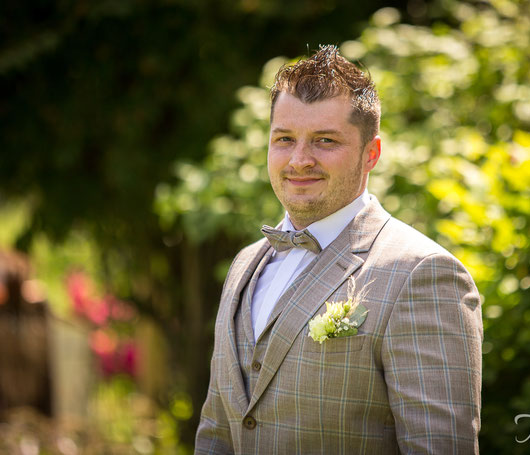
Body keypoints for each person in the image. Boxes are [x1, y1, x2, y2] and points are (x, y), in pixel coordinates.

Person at [195, 45, 482, 454]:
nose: (299, 160)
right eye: (284, 139)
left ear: (372, 154)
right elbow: (216, 431)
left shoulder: (423, 274)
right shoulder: (245, 265)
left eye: (324, 140)